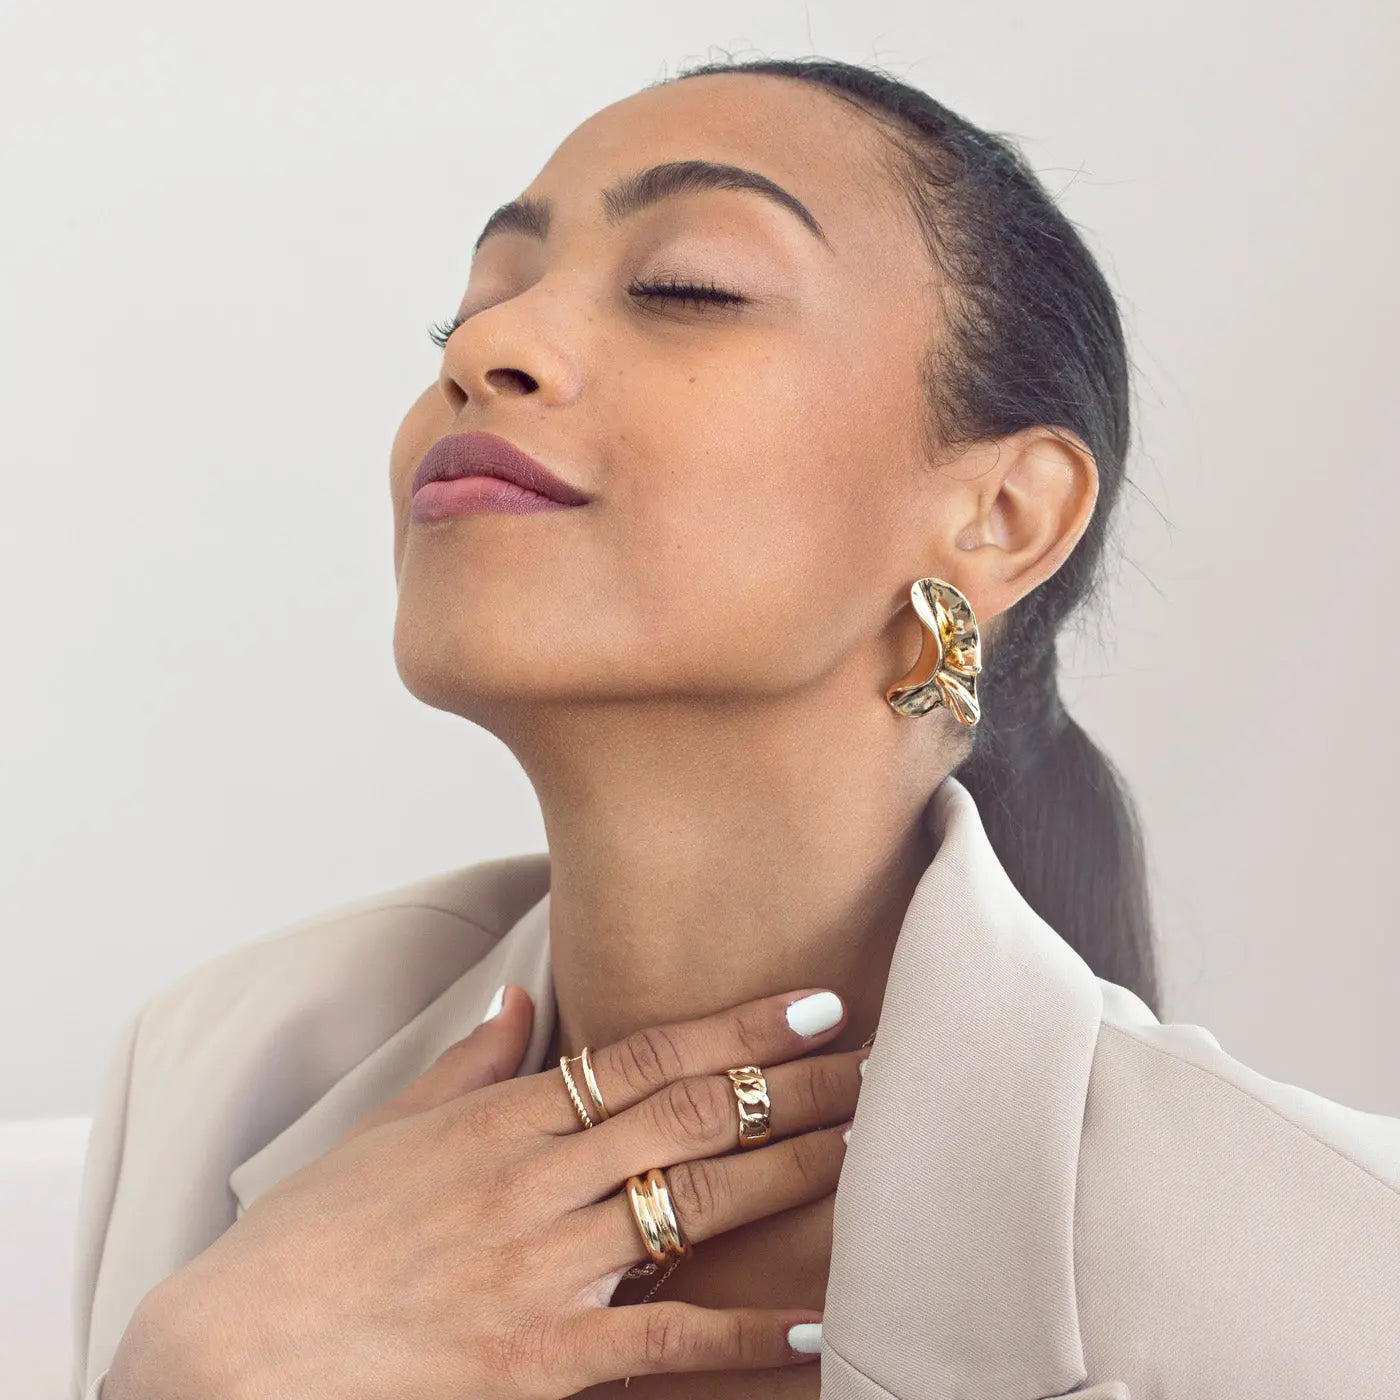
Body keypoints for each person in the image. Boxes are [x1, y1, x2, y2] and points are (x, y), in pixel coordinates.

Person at [71, 56, 1399, 1400]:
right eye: (467, 312)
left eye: (686, 288)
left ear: (1002, 516)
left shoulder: (1335, 1268)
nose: (482, 351)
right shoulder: (212, 1074)